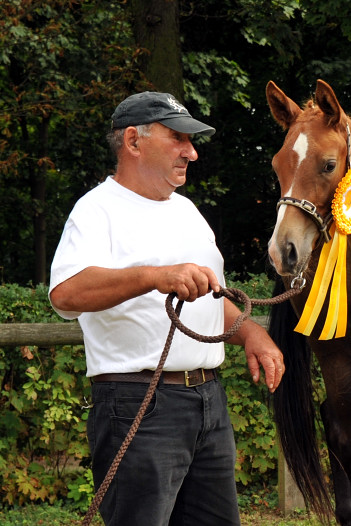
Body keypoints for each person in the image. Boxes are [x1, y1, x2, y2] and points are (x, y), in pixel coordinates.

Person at [49, 91, 285, 525]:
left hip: (208, 402)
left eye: (191, 142)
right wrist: (155, 275)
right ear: (134, 142)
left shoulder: (189, 212)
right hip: (137, 402)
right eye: (178, 138)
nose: (191, 153)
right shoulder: (96, 210)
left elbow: (215, 298)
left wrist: (252, 333)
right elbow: (65, 294)